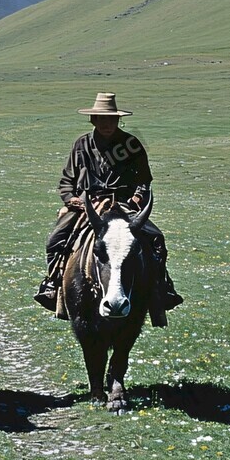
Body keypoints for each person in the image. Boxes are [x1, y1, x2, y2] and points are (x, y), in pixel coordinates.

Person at [34, 92, 182, 326]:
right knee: (55, 240)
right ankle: (52, 284)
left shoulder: (131, 145)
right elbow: (66, 181)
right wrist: (71, 199)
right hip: (87, 206)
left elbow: (144, 180)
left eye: (111, 120)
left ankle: (161, 289)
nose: (106, 124)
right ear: (93, 120)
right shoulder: (81, 145)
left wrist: (137, 198)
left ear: (118, 121)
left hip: (123, 205)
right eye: (101, 119)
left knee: (156, 239)